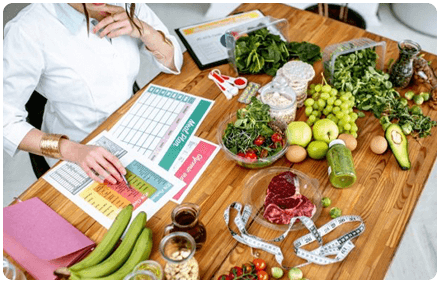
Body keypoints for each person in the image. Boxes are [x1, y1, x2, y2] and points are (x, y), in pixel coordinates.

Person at [3, 3, 183, 184]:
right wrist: (74, 151)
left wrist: (144, 30)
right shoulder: (26, 30)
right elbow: (6, 123)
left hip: (133, 129)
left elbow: (172, 62)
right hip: (79, 148)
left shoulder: (126, 5)